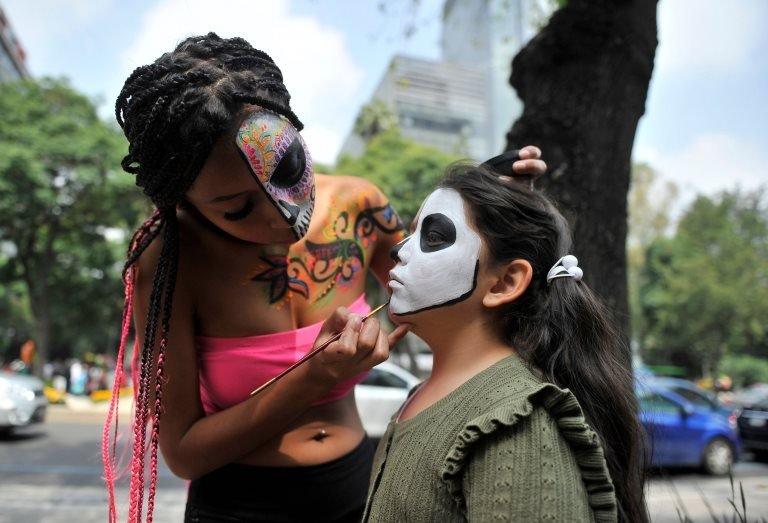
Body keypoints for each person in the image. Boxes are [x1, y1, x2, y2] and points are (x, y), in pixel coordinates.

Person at [101, 32, 547, 522]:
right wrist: (313, 377)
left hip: (359, 490)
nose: (279, 216)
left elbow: (447, 288)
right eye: (237, 208)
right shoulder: (169, 261)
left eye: (289, 167)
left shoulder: (360, 207)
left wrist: (479, 205)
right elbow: (184, 452)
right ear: (184, 201)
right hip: (237, 507)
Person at [363, 164, 647, 522]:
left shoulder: (516, 423)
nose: (399, 250)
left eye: (433, 236)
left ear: (505, 283)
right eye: (411, 232)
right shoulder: (420, 397)